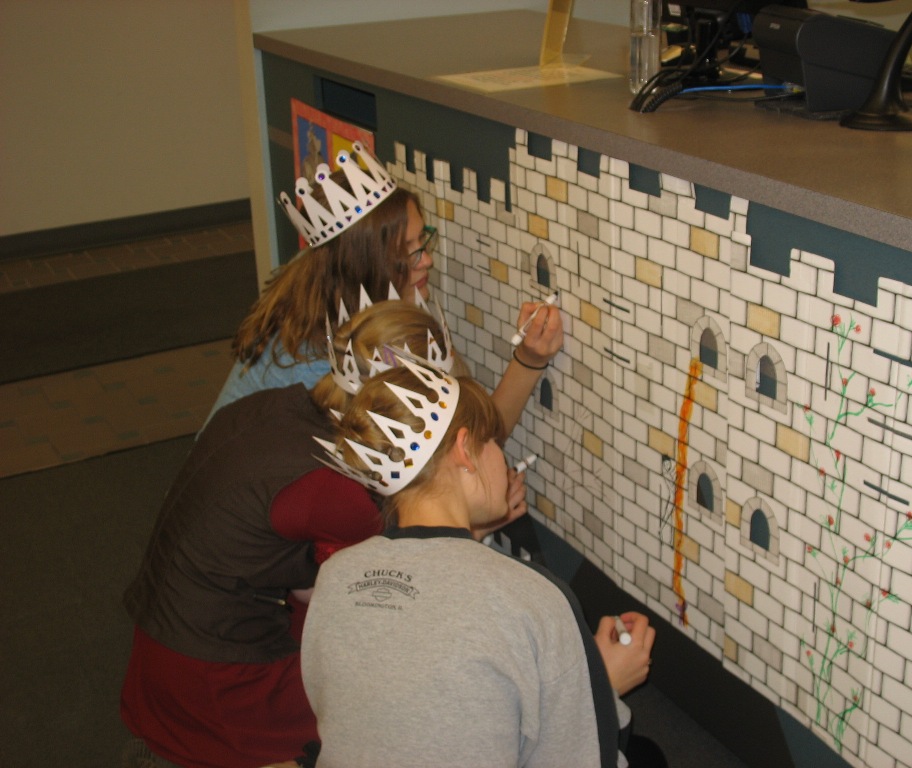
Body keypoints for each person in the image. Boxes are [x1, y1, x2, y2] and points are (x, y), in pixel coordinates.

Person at [121, 301, 521, 768]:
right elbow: (396, 610)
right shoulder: (340, 490)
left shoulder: (277, 407)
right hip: (213, 680)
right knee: (394, 704)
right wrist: (473, 528)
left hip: (159, 642)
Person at [303, 355, 655, 767]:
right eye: (494, 443)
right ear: (465, 451)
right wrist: (602, 683)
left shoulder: (336, 576)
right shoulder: (535, 598)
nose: (502, 459)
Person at [207, 141, 562, 442]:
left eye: (422, 240)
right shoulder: (351, 367)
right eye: (406, 253)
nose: (427, 260)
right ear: (366, 269)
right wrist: (529, 360)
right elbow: (474, 443)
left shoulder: (318, 277)